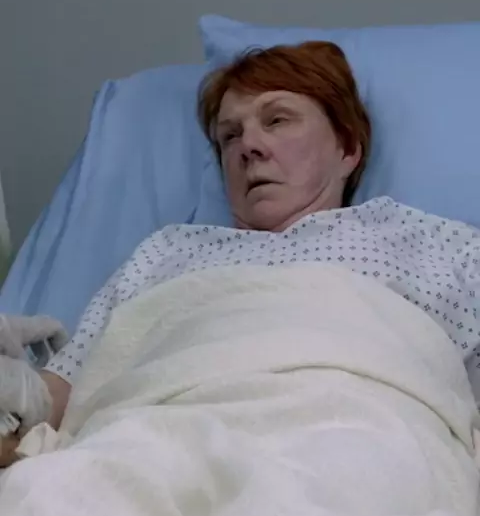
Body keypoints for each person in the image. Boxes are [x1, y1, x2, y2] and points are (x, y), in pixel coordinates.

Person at [2, 39, 480, 457]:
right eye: (229, 135)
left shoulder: (430, 242)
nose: (248, 145)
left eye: (277, 119)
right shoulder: (165, 253)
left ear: (347, 148)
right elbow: (56, 398)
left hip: (358, 442)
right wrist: (12, 395)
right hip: (150, 446)